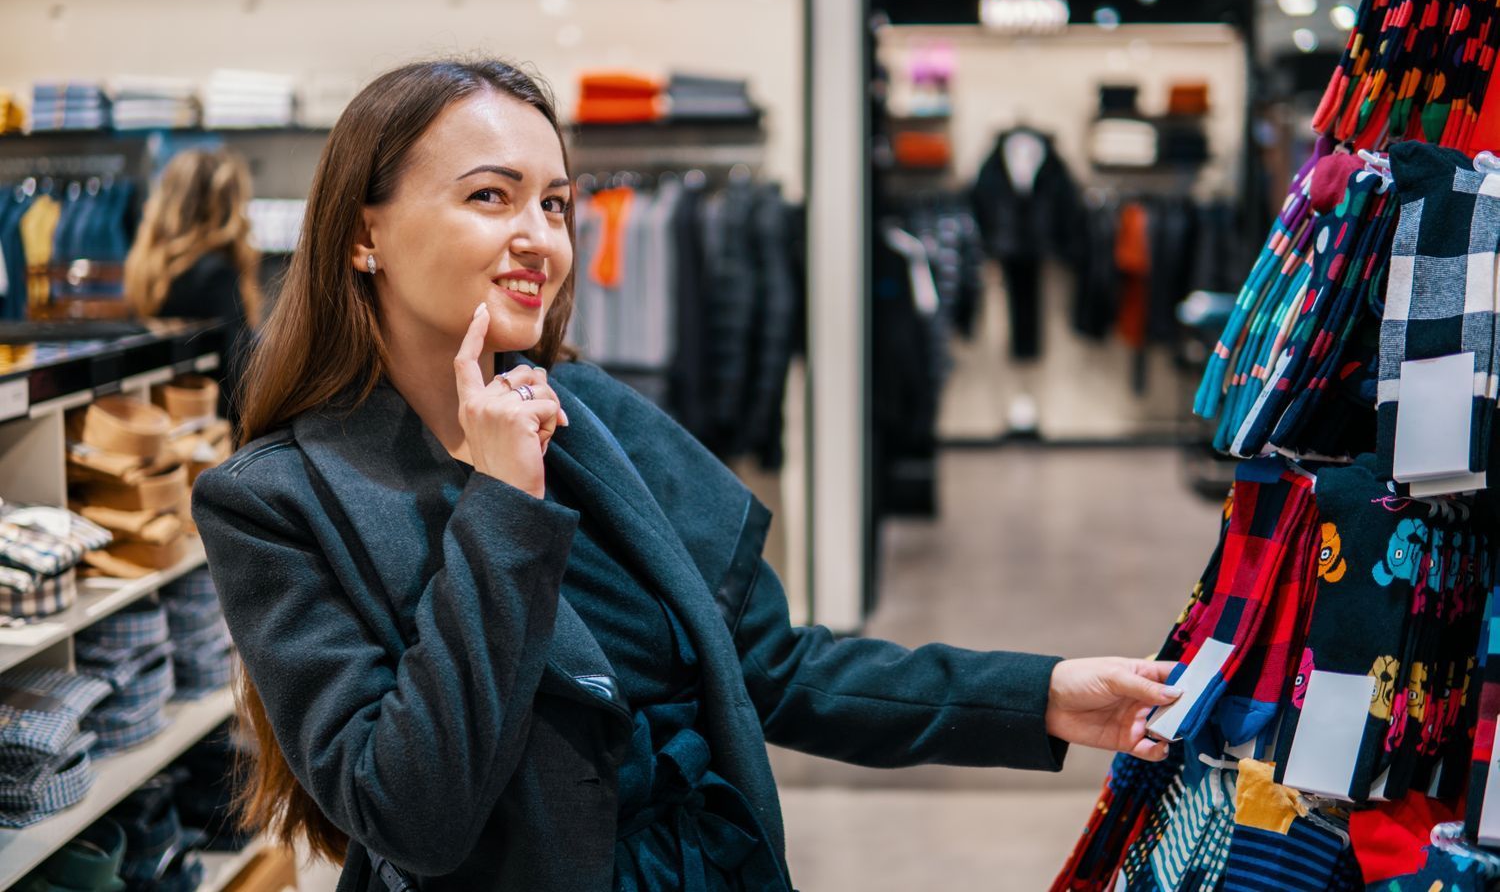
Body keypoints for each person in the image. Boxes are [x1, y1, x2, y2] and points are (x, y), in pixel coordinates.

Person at [191, 60, 1181, 892]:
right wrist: (498, 505)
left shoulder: (595, 416)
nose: (540, 236)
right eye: (490, 196)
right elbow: (411, 810)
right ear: (364, 234)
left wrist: (1040, 696)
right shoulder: (279, 500)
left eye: (555, 203)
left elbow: (771, 668)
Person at [123, 147, 261, 421]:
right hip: (215, 434)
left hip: (164, 422)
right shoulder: (217, 276)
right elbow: (239, 381)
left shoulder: (151, 275)